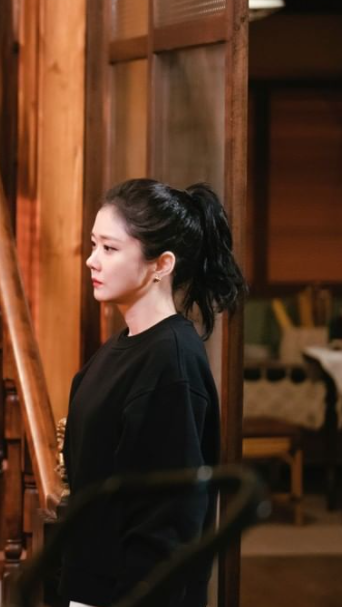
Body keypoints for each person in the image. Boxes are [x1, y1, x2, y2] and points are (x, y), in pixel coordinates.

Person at [60, 179, 246, 607]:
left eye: (110, 248)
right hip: (91, 586)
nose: (91, 260)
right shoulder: (120, 348)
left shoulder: (171, 361)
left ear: (161, 264)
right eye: (93, 245)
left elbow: (168, 522)